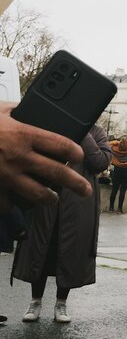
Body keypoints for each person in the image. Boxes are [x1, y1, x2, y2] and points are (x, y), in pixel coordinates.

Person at [13, 123, 111, 323]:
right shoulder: (54, 122)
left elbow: (100, 162)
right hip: (45, 199)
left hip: (77, 204)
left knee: (70, 251)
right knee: (41, 248)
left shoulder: (96, 131)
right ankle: (35, 301)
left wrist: (83, 132)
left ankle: (61, 303)